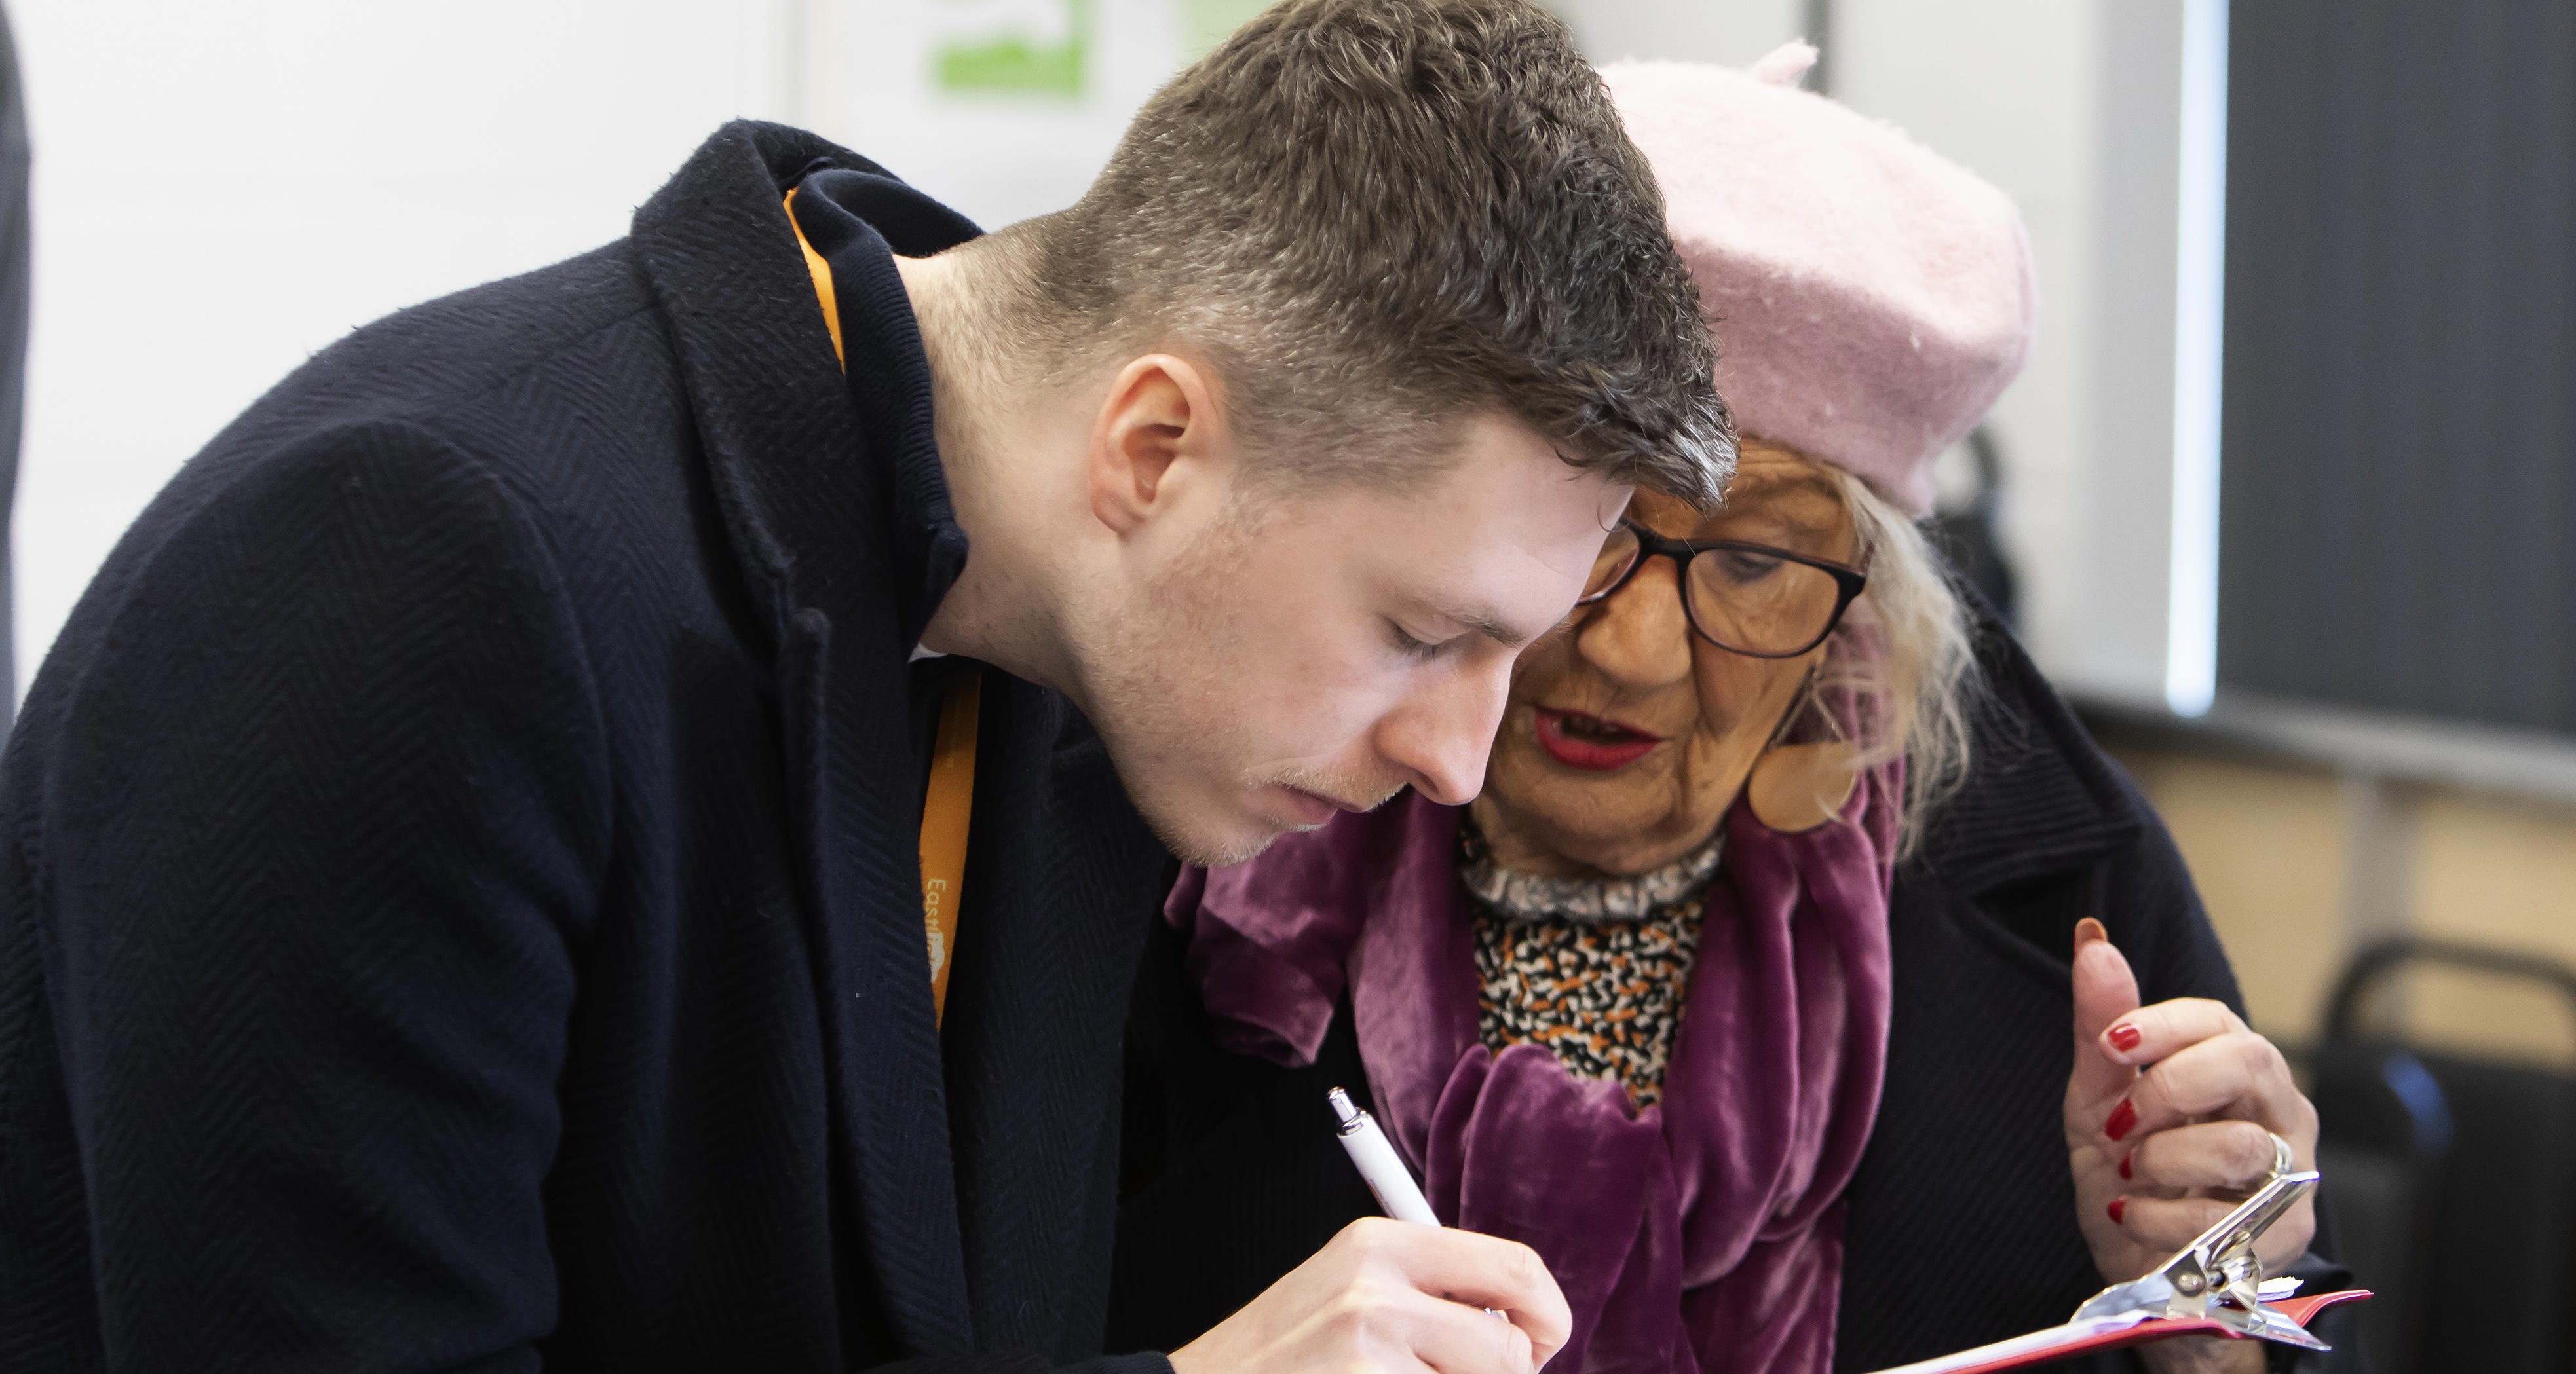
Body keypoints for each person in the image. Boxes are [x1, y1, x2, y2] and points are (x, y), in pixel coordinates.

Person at [0, 4, 1739, 1371]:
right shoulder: (417, 570)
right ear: (1152, 448)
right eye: (1423, 636)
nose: (1456, 759)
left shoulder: (1078, 653)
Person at [1107, 48, 2357, 1374]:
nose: (1638, 649)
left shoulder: (2062, 891)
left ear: (1863, 606)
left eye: (1756, 561)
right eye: (1586, 532)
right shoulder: (1187, 822)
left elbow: (2258, 1318)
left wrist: (2202, 1319)